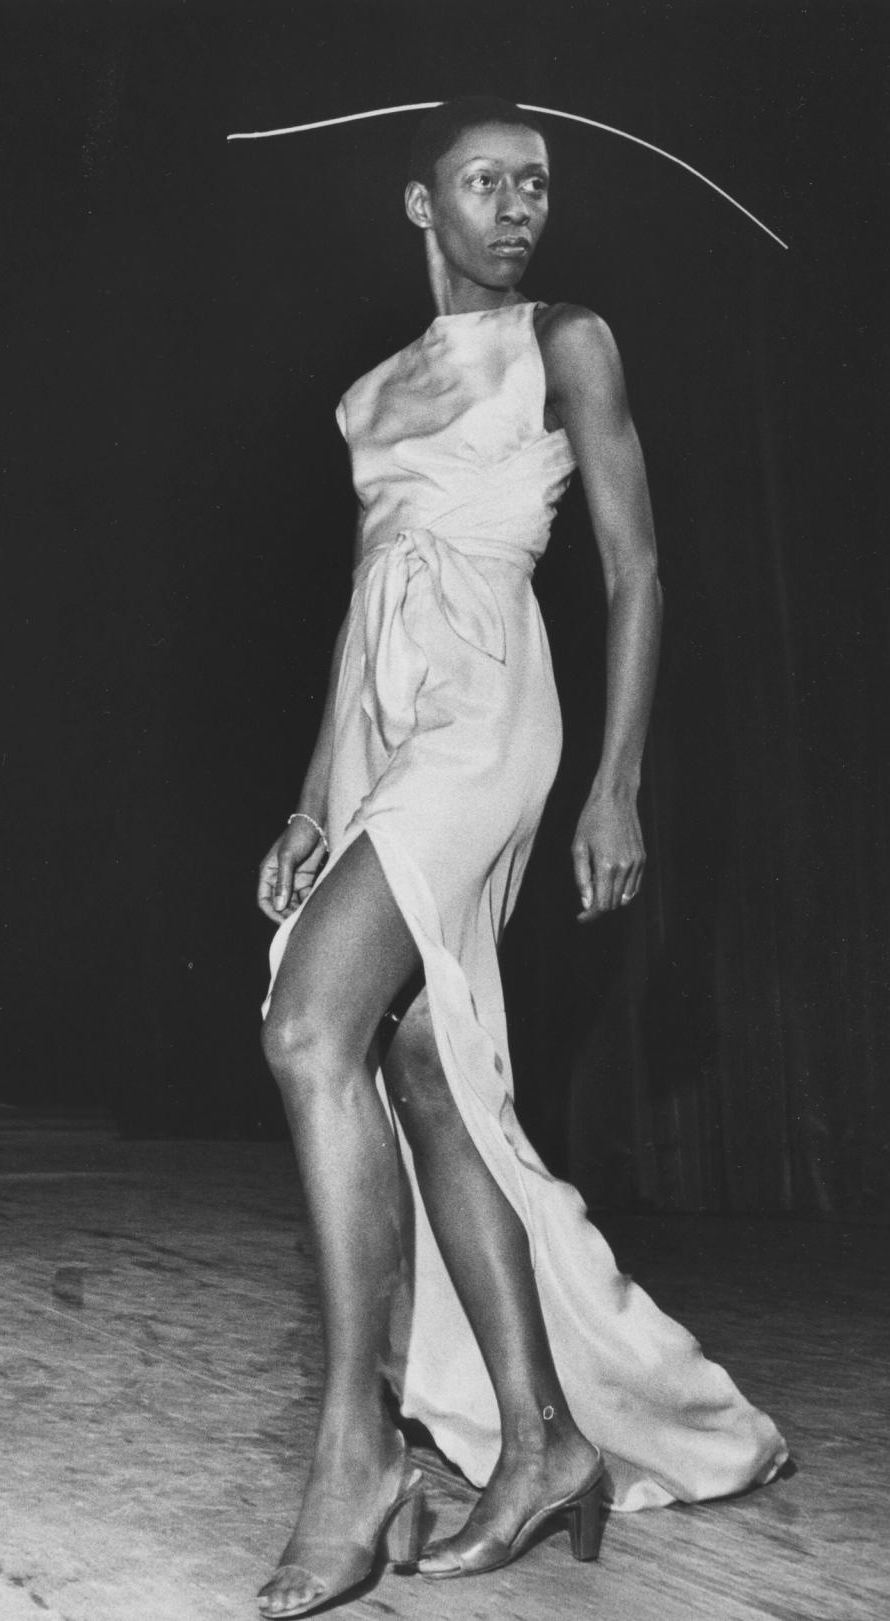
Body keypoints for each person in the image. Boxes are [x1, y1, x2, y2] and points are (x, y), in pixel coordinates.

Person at [253, 97, 786, 1617]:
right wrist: (309, 800)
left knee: (308, 1026)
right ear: (419, 204)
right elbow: (365, 612)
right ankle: (542, 1437)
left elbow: (638, 569)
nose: (516, 206)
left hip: (493, 708)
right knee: (419, 1075)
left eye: (535, 185)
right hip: (387, 720)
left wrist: (618, 782)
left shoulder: (569, 340)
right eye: (484, 182)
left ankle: (357, 1454)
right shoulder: (368, 399)